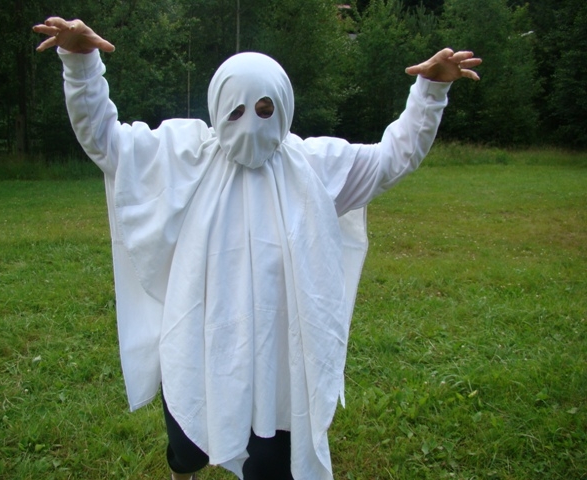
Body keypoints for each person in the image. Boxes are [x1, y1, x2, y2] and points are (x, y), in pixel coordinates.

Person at [34, 17, 481, 480]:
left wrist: (430, 93)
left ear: (284, 108)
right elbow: (105, 139)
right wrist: (80, 64)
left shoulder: (313, 167)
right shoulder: (183, 156)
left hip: (279, 350)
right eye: (236, 111)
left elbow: (392, 158)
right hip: (199, 336)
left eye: (265, 109)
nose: (250, 123)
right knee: (187, 448)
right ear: (217, 107)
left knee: (271, 461)